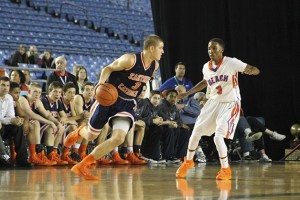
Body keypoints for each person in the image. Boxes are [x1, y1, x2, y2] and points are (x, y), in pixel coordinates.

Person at [64, 34, 164, 180]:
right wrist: (101, 83)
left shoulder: (155, 66)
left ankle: (83, 165)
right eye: (161, 48)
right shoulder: (130, 59)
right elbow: (108, 68)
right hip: (109, 99)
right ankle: (79, 131)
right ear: (152, 48)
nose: (162, 51)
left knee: (118, 138)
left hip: (127, 104)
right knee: (92, 135)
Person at [176, 38, 260, 180]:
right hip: (213, 102)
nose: (211, 51)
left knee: (218, 137)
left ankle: (225, 169)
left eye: (214, 48)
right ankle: (188, 162)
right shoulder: (206, 67)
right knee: (196, 131)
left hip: (230, 103)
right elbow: (205, 82)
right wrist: (186, 93)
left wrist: (252, 71)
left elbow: (255, 70)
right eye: (209, 48)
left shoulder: (231, 62)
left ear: (221, 50)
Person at [0, 76, 30, 167]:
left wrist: (16, 120)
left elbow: (11, 116)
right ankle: (3, 158)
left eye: (7, 85)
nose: (5, 88)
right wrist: (11, 120)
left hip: (3, 126)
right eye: (2, 85)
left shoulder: (9, 97)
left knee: (18, 127)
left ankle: (22, 159)